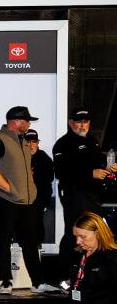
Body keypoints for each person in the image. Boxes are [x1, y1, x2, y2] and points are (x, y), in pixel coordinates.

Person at [0, 106, 56, 294]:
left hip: (25, 200)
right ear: (16, 121)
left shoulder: (24, 142)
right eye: (27, 120)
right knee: (5, 238)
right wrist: (9, 189)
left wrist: (29, 190)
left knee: (30, 240)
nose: (29, 123)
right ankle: (6, 281)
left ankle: (38, 282)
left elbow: (25, 172)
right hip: (4, 198)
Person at [54, 107, 117, 283]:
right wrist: (91, 174)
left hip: (95, 196)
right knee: (76, 234)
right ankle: (65, 276)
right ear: (70, 122)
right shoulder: (63, 143)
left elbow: (99, 166)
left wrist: (108, 170)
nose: (82, 125)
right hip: (76, 195)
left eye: (86, 121)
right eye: (79, 121)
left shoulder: (92, 141)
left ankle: (91, 274)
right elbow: (61, 172)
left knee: (94, 233)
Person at [26, 129, 55, 247]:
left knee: (36, 228)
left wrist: (32, 175)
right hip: (21, 201)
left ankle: (37, 251)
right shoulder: (18, 157)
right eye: (28, 142)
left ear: (38, 142)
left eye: (34, 141)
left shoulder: (44, 158)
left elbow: (48, 179)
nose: (31, 145)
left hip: (37, 201)